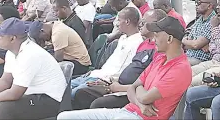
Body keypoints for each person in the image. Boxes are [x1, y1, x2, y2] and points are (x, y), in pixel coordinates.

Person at [57, 16, 192, 120]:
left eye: (157, 35)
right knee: (63, 117)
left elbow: (144, 96)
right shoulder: (160, 58)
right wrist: (140, 101)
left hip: (140, 118)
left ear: (169, 39)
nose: (153, 39)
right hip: (127, 111)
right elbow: (133, 89)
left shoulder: (180, 69)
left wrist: (139, 91)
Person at [0, 18, 67, 120]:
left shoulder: (30, 54)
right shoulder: (11, 52)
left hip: (51, 100)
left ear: (12, 38)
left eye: (0, 36)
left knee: (3, 109)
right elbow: (5, 81)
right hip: (34, 94)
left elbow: (15, 93)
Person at [72, 9, 165, 110]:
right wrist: (113, 81)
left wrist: (115, 85)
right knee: (74, 90)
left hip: (127, 90)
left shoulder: (155, 49)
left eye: (144, 22)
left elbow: (146, 82)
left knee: (82, 96)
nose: (140, 25)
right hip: (115, 82)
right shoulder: (143, 44)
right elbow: (132, 70)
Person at [69, 7, 143, 98]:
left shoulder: (138, 42)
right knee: (63, 88)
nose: (116, 23)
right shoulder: (123, 38)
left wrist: (108, 81)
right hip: (97, 74)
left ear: (127, 22)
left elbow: (125, 69)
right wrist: (95, 72)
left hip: (103, 80)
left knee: (71, 95)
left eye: (119, 20)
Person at [184, 0, 216, 66]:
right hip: (189, 55)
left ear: (209, 6)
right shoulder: (200, 19)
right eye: (196, 2)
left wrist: (187, 41)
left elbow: (196, 45)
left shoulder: (213, 20)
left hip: (201, 60)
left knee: (175, 66)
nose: (196, 5)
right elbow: (187, 43)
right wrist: (188, 41)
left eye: (199, 2)